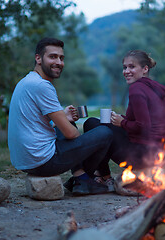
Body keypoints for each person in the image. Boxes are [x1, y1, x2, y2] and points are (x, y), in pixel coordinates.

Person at [7, 37, 113, 195]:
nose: (59, 62)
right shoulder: (42, 86)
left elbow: (34, 125)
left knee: (64, 126)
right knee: (105, 133)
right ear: (38, 58)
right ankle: (85, 181)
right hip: (42, 162)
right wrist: (68, 125)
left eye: (61, 58)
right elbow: (71, 134)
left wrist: (63, 118)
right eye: (52, 56)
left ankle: (80, 178)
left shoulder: (27, 81)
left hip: (25, 160)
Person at [84, 50, 165, 191]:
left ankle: (105, 178)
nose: (126, 71)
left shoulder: (136, 89)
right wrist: (121, 119)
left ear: (145, 69)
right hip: (158, 154)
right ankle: (101, 175)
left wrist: (122, 123)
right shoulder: (153, 88)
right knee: (101, 125)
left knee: (92, 124)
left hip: (141, 155)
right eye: (125, 67)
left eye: (132, 67)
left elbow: (144, 126)